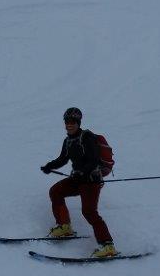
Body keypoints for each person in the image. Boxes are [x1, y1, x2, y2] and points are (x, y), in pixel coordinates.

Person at [40, 107, 118, 258]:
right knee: (56, 191)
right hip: (77, 180)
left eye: (73, 122)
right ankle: (64, 227)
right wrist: (50, 166)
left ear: (79, 122)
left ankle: (107, 245)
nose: (69, 124)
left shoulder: (87, 137)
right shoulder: (68, 141)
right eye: (67, 121)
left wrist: (83, 171)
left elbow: (94, 159)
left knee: (89, 212)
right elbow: (62, 159)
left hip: (91, 181)